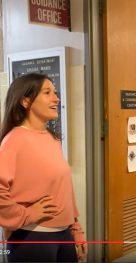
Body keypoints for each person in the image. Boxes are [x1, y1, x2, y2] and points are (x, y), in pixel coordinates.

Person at [0, 73, 87, 262]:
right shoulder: (13, 140)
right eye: (47, 92)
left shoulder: (51, 138)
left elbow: (64, 189)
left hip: (64, 236)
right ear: (25, 101)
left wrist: (76, 229)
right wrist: (27, 214)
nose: (56, 98)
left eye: (55, 92)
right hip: (33, 237)